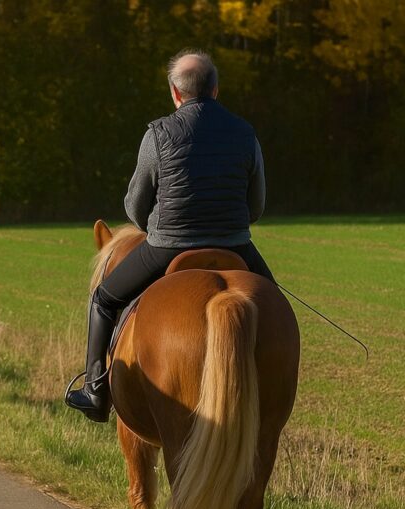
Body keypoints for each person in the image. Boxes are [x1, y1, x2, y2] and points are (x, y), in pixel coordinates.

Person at [65, 49, 275, 423]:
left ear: (175, 94)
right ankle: (274, 393)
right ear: (216, 90)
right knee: (276, 312)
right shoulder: (247, 134)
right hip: (236, 245)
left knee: (103, 300)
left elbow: (134, 207)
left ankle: (95, 392)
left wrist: (159, 226)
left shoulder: (158, 133)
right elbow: (256, 206)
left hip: (167, 246)